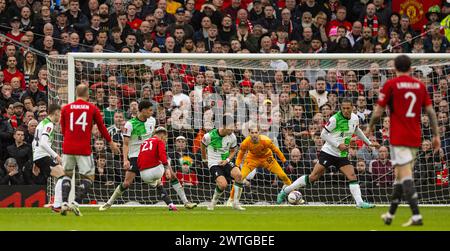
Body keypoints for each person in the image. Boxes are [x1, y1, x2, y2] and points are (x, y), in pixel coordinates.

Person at [367, 54, 440, 227]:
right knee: (399, 177)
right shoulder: (420, 85)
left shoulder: (391, 84)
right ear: (411, 68)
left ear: (395, 69)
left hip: (398, 138)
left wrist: (369, 127)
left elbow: (378, 112)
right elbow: (430, 112)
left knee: (405, 175)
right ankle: (390, 215)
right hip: (415, 137)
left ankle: (416, 216)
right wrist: (436, 135)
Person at [277, 98, 379, 208]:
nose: (345, 110)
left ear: (352, 108)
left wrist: (368, 143)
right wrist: (338, 145)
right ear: (340, 108)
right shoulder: (335, 119)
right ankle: (285, 191)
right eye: (343, 108)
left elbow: (357, 130)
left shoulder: (354, 118)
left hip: (341, 154)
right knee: (313, 178)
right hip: (328, 152)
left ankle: (359, 203)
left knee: (352, 176)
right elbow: (323, 134)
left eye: (348, 108)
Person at [59, 84, 120, 216]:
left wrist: (70, 139)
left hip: (68, 146)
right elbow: (102, 128)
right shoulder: (92, 108)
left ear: (76, 93)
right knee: (89, 176)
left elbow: (63, 129)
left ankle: (64, 203)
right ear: (87, 95)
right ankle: (75, 202)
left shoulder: (66, 108)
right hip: (83, 148)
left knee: (67, 174)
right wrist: (111, 143)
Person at [227, 124, 293, 206]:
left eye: (256, 132)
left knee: (283, 175)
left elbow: (277, 151)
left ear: (259, 132)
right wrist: (236, 165)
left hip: (267, 158)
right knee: (239, 177)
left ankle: (293, 193)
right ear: (249, 133)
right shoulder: (245, 142)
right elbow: (240, 154)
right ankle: (231, 199)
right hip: (252, 159)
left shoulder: (266, 140)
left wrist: (285, 162)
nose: (254, 134)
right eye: (252, 132)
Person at [201, 115, 244, 210]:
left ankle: (236, 203)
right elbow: (203, 146)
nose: (233, 129)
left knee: (239, 175)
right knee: (223, 185)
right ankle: (213, 203)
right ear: (224, 126)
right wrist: (204, 159)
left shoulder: (232, 137)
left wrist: (227, 160)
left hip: (226, 161)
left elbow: (233, 150)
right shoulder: (209, 136)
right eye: (231, 126)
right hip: (214, 163)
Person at [32, 104, 66, 212]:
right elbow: (42, 143)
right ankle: (56, 205)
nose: (60, 117)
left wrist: (35, 160)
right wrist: (56, 156)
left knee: (61, 175)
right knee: (62, 175)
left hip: (39, 156)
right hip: (42, 156)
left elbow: (34, 143)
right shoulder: (49, 125)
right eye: (60, 114)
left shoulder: (41, 123)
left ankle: (57, 204)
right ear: (56, 113)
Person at [137, 126, 178, 211]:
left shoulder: (144, 143)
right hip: (156, 171)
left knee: (159, 185)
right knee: (166, 159)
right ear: (162, 135)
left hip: (143, 174)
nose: (165, 138)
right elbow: (162, 155)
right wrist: (167, 169)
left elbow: (139, 158)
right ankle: (182, 199)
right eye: (165, 136)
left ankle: (170, 204)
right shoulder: (159, 141)